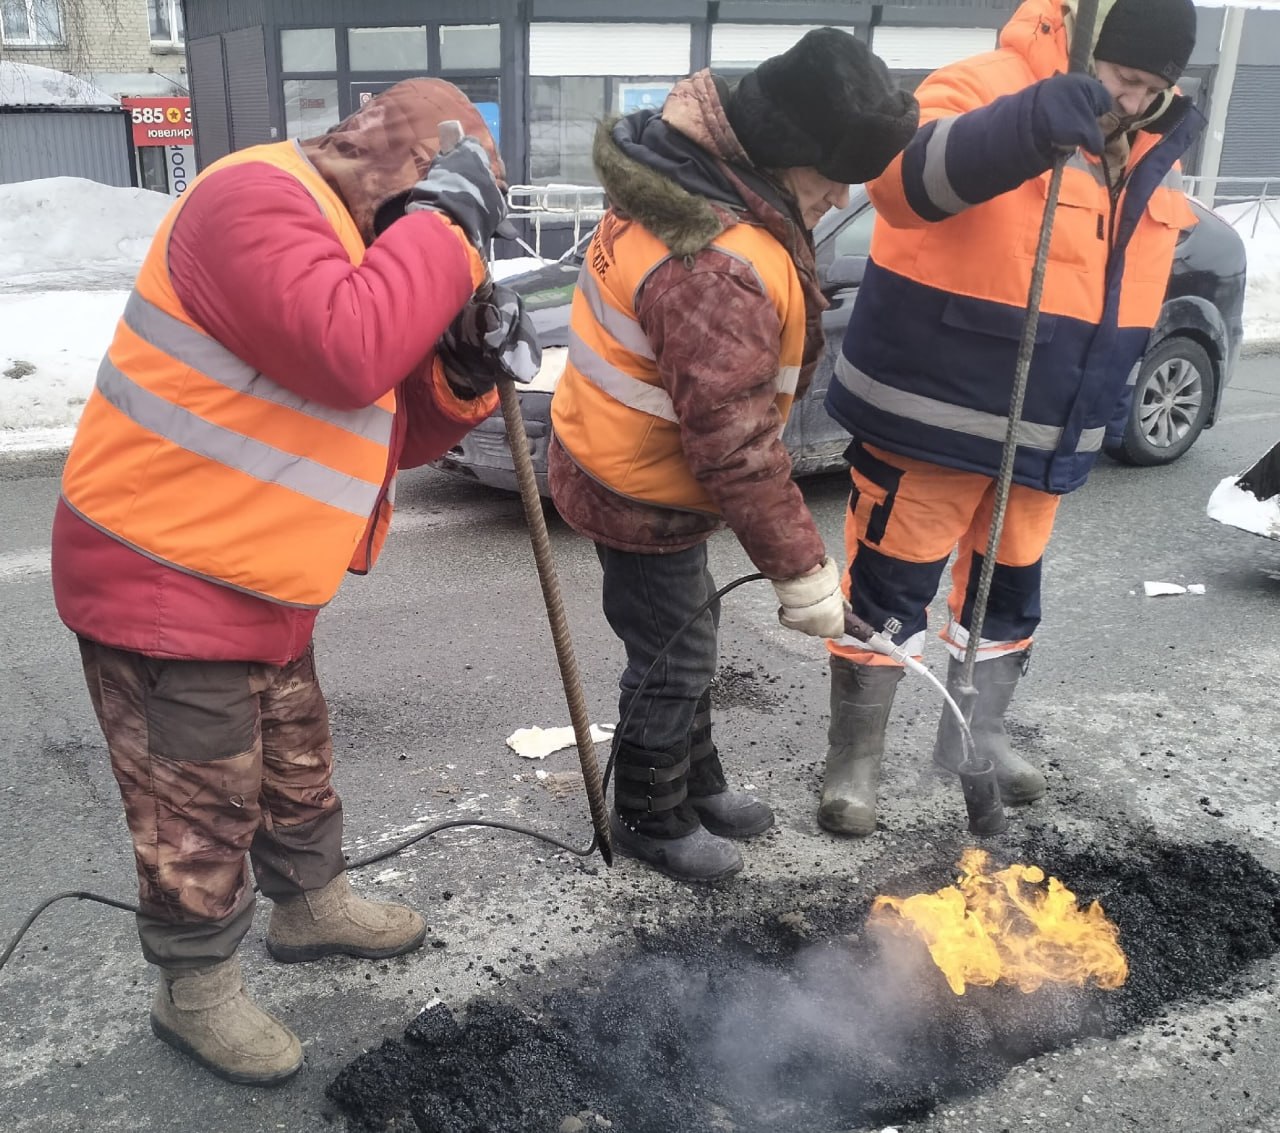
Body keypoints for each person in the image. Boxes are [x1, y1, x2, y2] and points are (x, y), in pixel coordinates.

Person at [50, 79, 536, 1085]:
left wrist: (460, 363)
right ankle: (194, 989)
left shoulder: (358, 238)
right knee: (199, 802)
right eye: (446, 199)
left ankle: (310, 906)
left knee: (295, 763)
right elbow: (347, 352)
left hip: (258, 571)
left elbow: (386, 423)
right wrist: (445, 230)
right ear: (410, 169)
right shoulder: (251, 199)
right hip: (162, 566)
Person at [819, 0, 1200, 836]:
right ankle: (856, 758)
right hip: (933, 413)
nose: (1133, 102)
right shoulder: (981, 85)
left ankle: (975, 736)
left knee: (1009, 594)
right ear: (1087, 43)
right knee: (888, 589)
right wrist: (1027, 124)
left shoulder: (1150, 147)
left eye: (1153, 89)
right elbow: (902, 184)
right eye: (1123, 77)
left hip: (1049, 428)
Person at [548, 29, 919, 882]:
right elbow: (737, 446)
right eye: (830, 177)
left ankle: (696, 779)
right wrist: (804, 576)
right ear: (783, 153)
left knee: (691, 631)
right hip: (636, 487)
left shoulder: (689, 180)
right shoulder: (715, 264)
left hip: (628, 457)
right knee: (673, 654)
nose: (838, 197)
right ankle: (649, 813)